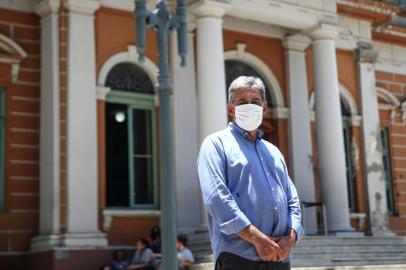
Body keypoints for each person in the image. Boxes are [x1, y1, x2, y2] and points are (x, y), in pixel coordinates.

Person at [197, 76, 303, 270]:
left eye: (254, 102)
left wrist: (291, 236)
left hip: (280, 257)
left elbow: (292, 199)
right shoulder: (215, 145)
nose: (249, 106)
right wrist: (256, 239)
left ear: (264, 107)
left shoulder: (273, 152)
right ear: (231, 109)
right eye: (242, 102)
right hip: (238, 257)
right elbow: (217, 199)